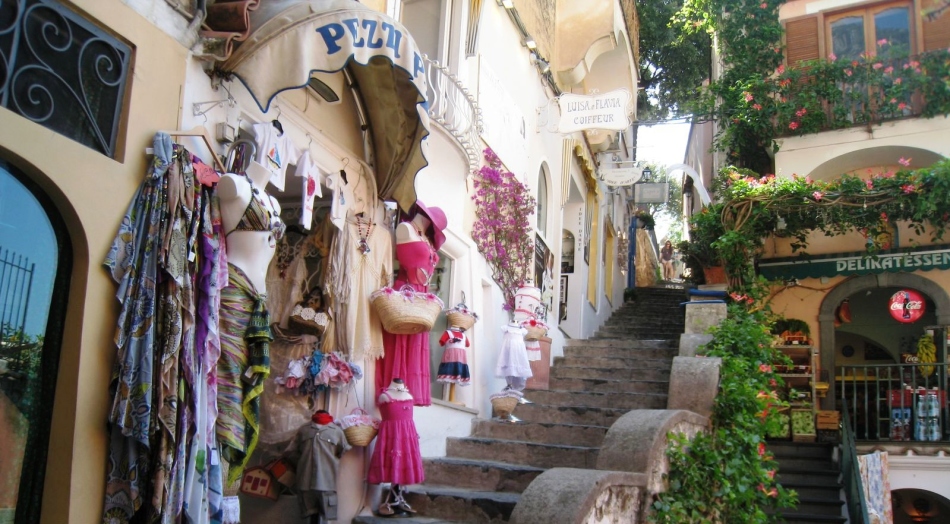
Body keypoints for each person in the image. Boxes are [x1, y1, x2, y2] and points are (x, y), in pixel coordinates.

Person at [375, 201, 447, 406]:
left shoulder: (426, 238)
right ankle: (391, 396)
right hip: (407, 292)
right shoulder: (405, 228)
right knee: (399, 344)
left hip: (421, 296)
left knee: (413, 347)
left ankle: (403, 399)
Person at [367, 378, 425, 517]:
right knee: (392, 462)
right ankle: (391, 500)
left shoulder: (409, 395)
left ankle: (397, 499)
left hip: (407, 435)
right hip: (391, 435)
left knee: (404, 463)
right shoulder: (384, 396)